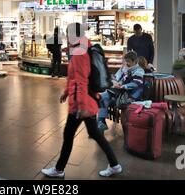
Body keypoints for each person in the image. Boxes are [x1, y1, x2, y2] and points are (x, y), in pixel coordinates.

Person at [41, 23, 122, 178]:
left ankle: (59, 169)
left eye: (67, 33)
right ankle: (114, 165)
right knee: (95, 134)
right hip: (86, 100)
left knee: (69, 134)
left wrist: (81, 106)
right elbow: (73, 77)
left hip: (82, 104)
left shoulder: (79, 53)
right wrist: (66, 92)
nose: (66, 37)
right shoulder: (84, 46)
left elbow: (81, 80)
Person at [97, 51, 145, 132]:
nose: (126, 63)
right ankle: (100, 125)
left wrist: (123, 86)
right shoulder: (124, 68)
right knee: (103, 98)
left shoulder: (139, 71)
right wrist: (115, 82)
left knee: (102, 98)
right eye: (126, 61)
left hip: (127, 97)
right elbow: (115, 77)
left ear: (135, 61)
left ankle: (100, 125)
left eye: (128, 62)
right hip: (117, 93)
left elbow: (136, 83)